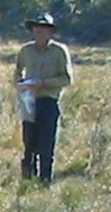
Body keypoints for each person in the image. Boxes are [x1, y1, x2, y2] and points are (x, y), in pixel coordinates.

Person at [14, 11, 73, 184]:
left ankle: (45, 181)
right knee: (28, 144)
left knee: (46, 145)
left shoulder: (59, 51)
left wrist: (44, 83)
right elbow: (18, 71)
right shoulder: (26, 50)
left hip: (48, 100)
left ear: (50, 31)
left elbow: (66, 79)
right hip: (29, 101)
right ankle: (27, 181)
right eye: (37, 28)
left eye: (44, 28)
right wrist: (21, 85)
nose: (39, 31)